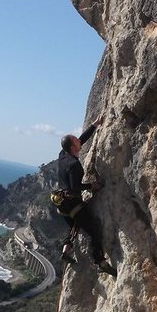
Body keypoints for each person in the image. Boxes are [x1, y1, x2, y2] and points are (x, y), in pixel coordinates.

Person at [55, 116, 116, 276]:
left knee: (75, 225)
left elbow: (82, 139)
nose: (79, 140)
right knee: (93, 230)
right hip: (72, 202)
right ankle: (100, 261)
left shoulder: (63, 154)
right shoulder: (74, 165)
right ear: (73, 147)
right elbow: (75, 188)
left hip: (60, 202)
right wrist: (91, 186)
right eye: (76, 140)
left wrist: (94, 125)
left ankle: (66, 250)